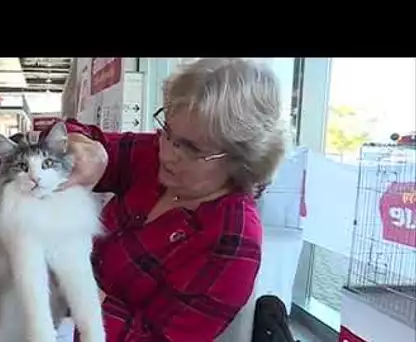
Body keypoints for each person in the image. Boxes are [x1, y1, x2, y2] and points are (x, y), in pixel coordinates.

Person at [49, 58, 285, 341]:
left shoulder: (231, 237)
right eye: (168, 132)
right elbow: (75, 134)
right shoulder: (157, 157)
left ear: (240, 159)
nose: (169, 153)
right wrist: (84, 148)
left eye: (192, 149)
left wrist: (80, 290)